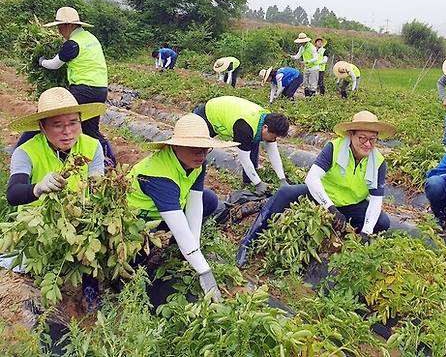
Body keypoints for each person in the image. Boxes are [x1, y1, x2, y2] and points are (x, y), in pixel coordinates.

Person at [236, 111, 395, 266]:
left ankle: (347, 237)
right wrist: (330, 207)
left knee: (382, 222)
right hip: (322, 198)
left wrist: (366, 232)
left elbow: (376, 200)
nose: (368, 144)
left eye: (373, 139)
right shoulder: (335, 148)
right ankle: (248, 242)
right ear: (350, 135)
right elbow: (312, 178)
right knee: (285, 193)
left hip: (351, 205)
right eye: (362, 138)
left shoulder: (378, 162)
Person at [6, 86, 107, 310]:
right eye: (58, 125)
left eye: (73, 123)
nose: (67, 132)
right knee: (30, 270)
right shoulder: (26, 151)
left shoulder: (93, 146)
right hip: (39, 227)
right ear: (42, 127)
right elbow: (13, 193)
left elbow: (97, 187)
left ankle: (90, 290)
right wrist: (39, 187)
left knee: (93, 244)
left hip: (80, 222)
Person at [127, 114, 237, 302]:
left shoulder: (197, 163)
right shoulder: (158, 175)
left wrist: (193, 250)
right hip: (137, 222)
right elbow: (178, 226)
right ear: (176, 145)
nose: (201, 155)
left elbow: (195, 204)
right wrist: (205, 271)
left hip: (165, 212)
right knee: (134, 258)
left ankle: (179, 252)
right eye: (194, 149)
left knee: (209, 200)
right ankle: (127, 282)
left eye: (204, 149)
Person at [37, 6, 115, 166]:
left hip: (83, 90)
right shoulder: (90, 38)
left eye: (60, 26)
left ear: (70, 25)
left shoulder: (72, 45)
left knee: (48, 117)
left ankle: (34, 150)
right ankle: (109, 160)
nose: (59, 31)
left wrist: (41, 61)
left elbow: (54, 65)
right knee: (90, 129)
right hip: (100, 90)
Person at [192, 96, 290, 194]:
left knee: (253, 143)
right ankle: (192, 184)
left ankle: (248, 184)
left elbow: (273, 152)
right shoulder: (245, 128)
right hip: (209, 113)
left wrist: (282, 179)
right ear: (265, 127)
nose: (274, 140)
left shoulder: (267, 121)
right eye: (273, 136)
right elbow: (244, 159)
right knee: (196, 151)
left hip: (230, 111)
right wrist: (258, 183)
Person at [290, 32, 319, 96]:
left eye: (301, 42)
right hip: (306, 68)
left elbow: (316, 58)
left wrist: (307, 61)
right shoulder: (302, 48)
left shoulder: (312, 47)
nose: (300, 43)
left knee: (313, 85)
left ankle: (312, 100)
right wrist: (291, 57)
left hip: (313, 68)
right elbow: (297, 56)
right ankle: (307, 98)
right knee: (305, 84)